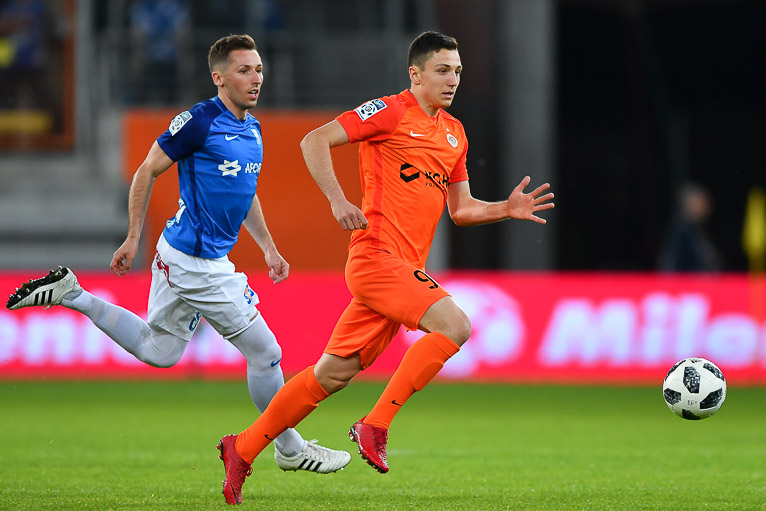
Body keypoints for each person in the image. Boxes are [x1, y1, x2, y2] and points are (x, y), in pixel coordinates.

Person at [213, 31, 555, 505]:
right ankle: (375, 424)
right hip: (376, 257)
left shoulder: (455, 133)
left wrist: (505, 208)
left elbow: (461, 209)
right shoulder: (390, 111)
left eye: (457, 71)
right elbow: (315, 140)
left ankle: (242, 447)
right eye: (442, 70)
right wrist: (338, 200)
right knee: (455, 325)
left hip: (401, 270)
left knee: (332, 375)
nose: (452, 79)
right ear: (415, 74)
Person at [5, 34, 350, 478]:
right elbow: (147, 169)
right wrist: (132, 237)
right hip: (197, 264)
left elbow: (244, 193)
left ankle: (73, 294)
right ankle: (289, 447)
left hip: (185, 254)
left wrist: (268, 246)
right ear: (218, 77)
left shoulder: (253, 128)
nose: (256, 78)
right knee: (266, 352)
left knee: (162, 350)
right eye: (244, 70)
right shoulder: (198, 121)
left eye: (259, 69)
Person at [657, 182, 721, 272]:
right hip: (684, 279)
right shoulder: (681, 230)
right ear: (690, 204)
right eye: (702, 202)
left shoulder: (697, 228)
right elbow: (673, 263)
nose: (707, 206)